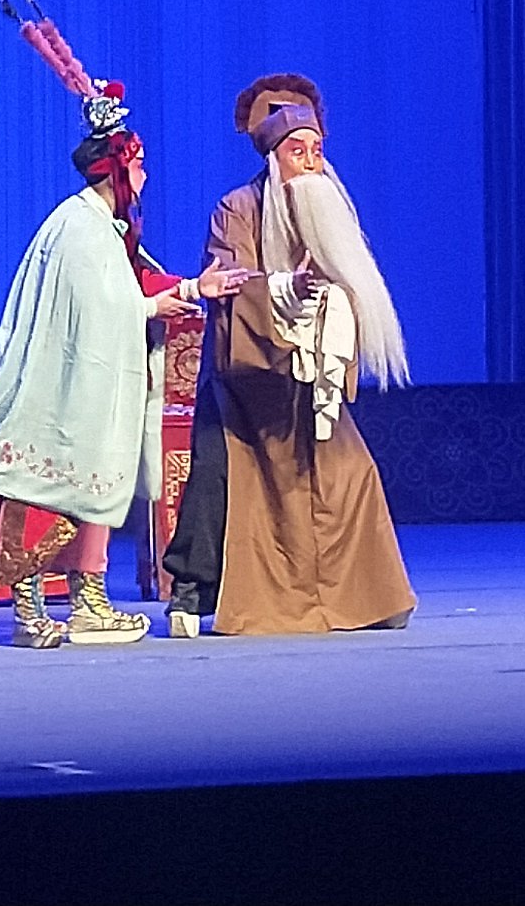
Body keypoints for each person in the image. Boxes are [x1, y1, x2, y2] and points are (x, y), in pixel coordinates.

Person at [0, 81, 248, 647]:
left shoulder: (104, 228)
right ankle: (29, 612)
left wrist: (192, 288)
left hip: (90, 384)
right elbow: (102, 306)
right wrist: (153, 306)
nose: (145, 177)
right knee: (43, 486)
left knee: (93, 483)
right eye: (139, 166)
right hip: (61, 385)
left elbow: (131, 284)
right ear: (116, 171)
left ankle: (89, 603)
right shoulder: (78, 228)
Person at [162, 74, 417, 638]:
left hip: (309, 383)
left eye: (316, 150)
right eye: (298, 151)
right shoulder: (238, 208)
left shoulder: (329, 211)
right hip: (247, 382)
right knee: (218, 478)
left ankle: (366, 593)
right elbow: (229, 280)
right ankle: (191, 593)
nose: (310, 162)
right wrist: (285, 288)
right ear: (275, 158)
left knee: (350, 476)